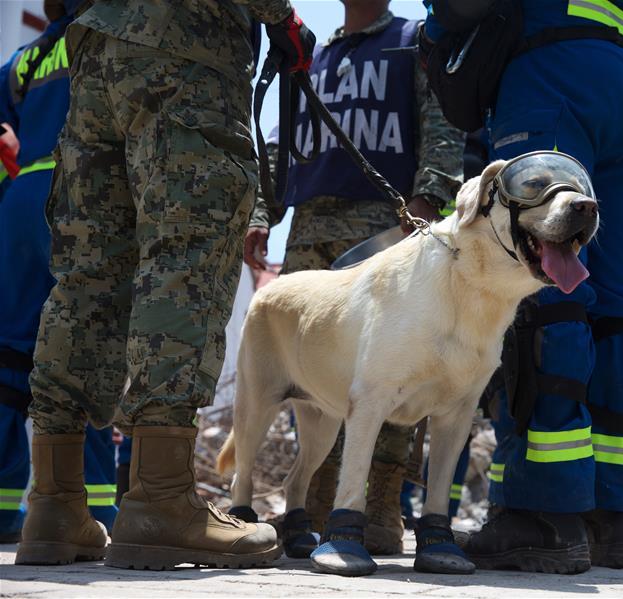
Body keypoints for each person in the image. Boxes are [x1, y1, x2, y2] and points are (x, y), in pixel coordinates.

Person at [426, 0, 623, 573]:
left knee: (542, 288)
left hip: (552, 66)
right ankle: (611, 519)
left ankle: (542, 515)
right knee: (620, 308)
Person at [15, 0, 317, 570]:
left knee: (87, 275)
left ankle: (55, 505)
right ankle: (160, 499)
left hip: (99, 53)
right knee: (184, 261)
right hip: (185, 51)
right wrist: (281, 17)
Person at [242, 0, 464, 559]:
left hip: (385, 230)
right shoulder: (311, 54)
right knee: (313, 379)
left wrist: (430, 196)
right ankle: (318, 506)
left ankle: (382, 510)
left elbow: (443, 121)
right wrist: (261, 211)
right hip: (311, 229)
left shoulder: (414, 40)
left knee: (394, 375)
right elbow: (281, 138)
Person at [0, 0, 119, 545]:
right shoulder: (107, 33)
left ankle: (4, 511)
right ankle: (98, 510)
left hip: (20, 198)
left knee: (8, 358)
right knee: (86, 351)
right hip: (80, 192)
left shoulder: (26, 59)